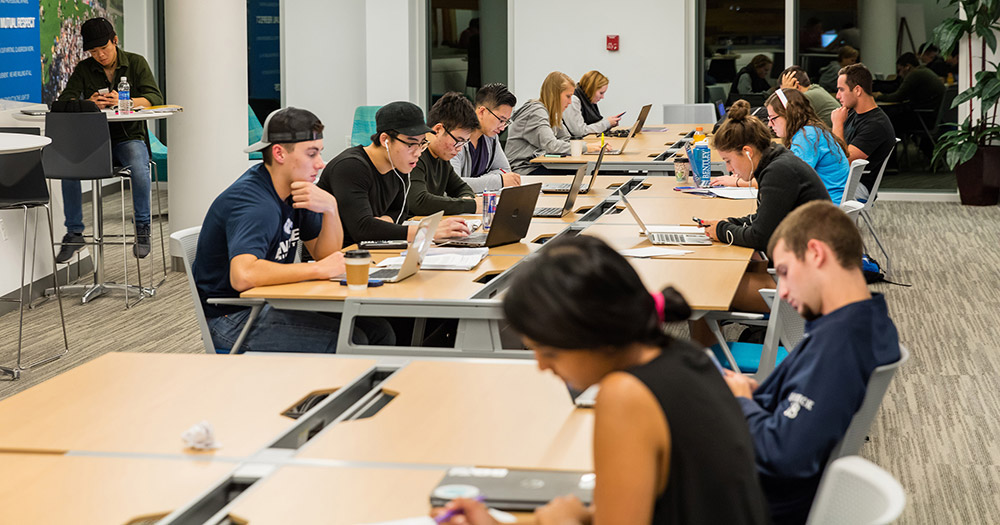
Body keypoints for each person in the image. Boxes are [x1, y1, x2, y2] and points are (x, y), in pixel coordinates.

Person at [434, 235, 770, 525]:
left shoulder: (625, 395)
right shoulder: (686, 355)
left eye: (549, 352)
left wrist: (564, 521)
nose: (541, 367)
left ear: (594, 336)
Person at [723, 200, 901, 524]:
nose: (784, 291)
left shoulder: (841, 345)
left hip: (756, 501)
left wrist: (742, 401)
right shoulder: (862, 320)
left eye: (787, 273)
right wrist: (752, 394)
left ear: (816, 253)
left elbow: (783, 455)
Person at [193, 108, 394, 353]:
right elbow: (243, 275)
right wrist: (317, 269)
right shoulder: (255, 204)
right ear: (279, 153)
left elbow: (325, 254)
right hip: (232, 317)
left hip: (270, 302)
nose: (321, 163)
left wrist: (331, 209)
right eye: (312, 154)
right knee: (353, 342)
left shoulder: (297, 190)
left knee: (378, 331)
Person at [691, 100, 829, 346]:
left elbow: (761, 236)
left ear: (747, 151)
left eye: (729, 160)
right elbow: (764, 218)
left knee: (702, 293)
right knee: (727, 274)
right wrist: (727, 223)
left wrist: (722, 230)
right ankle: (720, 356)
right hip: (807, 272)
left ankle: (710, 373)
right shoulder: (777, 162)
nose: (729, 169)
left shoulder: (778, 172)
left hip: (807, 289)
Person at [54, 17, 163, 262]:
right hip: (93, 139)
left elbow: (154, 97)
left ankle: (142, 229)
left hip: (129, 137)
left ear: (115, 41)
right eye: (94, 51)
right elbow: (63, 102)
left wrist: (125, 101)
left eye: (104, 48)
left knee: (138, 165)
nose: (100, 55)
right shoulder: (84, 69)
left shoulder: (136, 62)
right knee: (67, 166)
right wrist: (88, 103)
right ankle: (74, 232)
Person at [318, 101, 471, 247]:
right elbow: (362, 228)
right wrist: (427, 231)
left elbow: (401, 210)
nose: (418, 152)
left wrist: (385, 221)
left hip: (372, 250)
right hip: (339, 257)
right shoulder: (350, 167)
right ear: (385, 140)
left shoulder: (398, 165)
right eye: (411, 144)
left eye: (422, 143)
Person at [765, 88, 849, 203]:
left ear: (789, 114)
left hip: (826, 208)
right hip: (829, 202)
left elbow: (790, 179)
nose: (770, 124)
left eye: (773, 118)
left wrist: (740, 181)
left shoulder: (806, 137)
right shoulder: (812, 131)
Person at [405, 92, 481, 216]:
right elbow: (419, 202)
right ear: (438, 130)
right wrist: (469, 205)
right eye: (458, 141)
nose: (459, 149)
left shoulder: (441, 158)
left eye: (464, 143)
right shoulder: (415, 154)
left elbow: (462, 188)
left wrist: (466, 199)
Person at [831, 63, 896, 200]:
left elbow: (841, 162)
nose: (837, 96)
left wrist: (837, 124)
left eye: (841, 90)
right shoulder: (852, 113)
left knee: (802, 188)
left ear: (857, 90)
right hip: (843, 180)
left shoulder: (876, 125)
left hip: (857, 186)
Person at [506, 71, 588, 174]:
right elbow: (551, 145)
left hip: (540, 165)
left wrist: (585, 146)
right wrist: (586, 147)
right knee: (577, 174)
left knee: (579, 171)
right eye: (568, 96)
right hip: (524, 170)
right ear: (555, 95)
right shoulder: (536, 112)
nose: (570, 102)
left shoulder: (553, 113)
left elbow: (566, 138)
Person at [450, 83, 522, 193]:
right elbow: (454, 185)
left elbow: (505, 171)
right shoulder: (455, 139)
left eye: (506, 122)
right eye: (501, 120)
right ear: (482, 111)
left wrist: (480, 182)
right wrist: (499, 181)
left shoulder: (491, 138)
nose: (502, 127)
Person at [562, 70, 622, 138]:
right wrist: (606, 123)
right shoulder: (573, 100)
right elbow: (579, 132)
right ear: (591, 89)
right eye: (601, 93)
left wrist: (609, 123)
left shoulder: (588, 98)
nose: (602, 97)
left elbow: (593, 124)